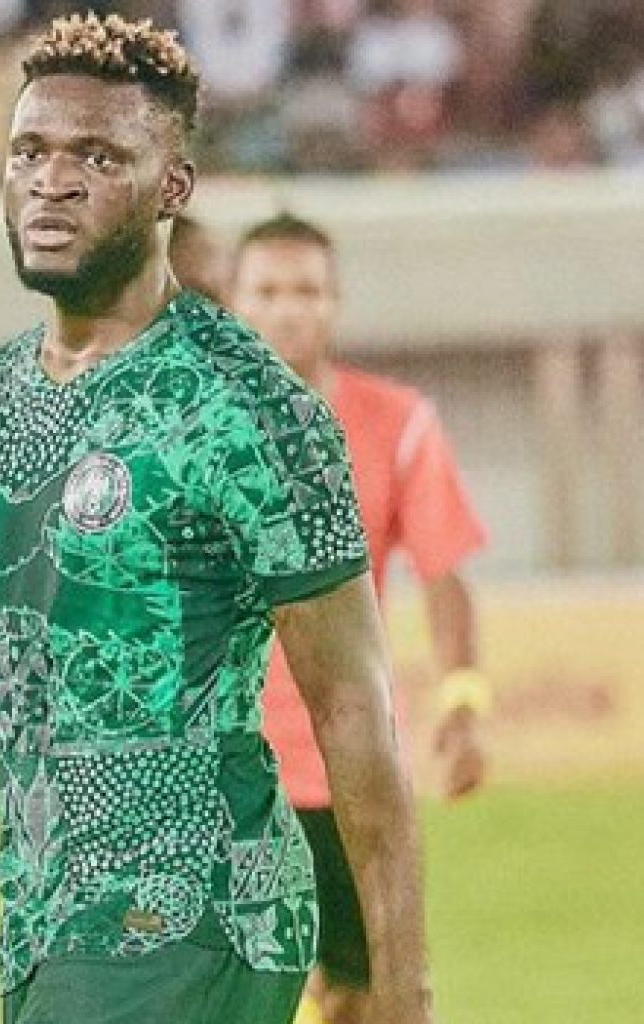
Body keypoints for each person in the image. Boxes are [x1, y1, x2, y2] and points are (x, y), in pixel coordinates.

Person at [0, 14, 432, 1024]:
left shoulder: (252, 412)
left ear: (173, 187)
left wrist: (401, 989)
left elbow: (353, 707)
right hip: (46, 928)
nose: (53, 180)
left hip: (204, 911)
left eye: (98, 156)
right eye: (29, 151)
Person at [230, 212, 489, 1024]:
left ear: (335, 303)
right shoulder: (178, 430)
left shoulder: (396, 423)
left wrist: (463, 699)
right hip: (218, 769)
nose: (288, 309)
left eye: (307, 290)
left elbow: (445, 574)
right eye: (268, 290)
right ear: (233, 303)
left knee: (376, 997)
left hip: (348, 766)